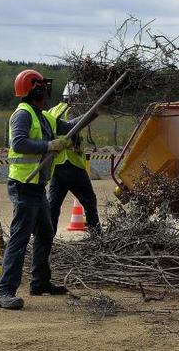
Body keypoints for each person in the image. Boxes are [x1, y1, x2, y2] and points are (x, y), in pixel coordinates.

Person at [0, 70, 77, 310]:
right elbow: (18, 143)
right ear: (35, 91)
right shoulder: (23, 115)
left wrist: (93, 114)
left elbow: (68, 126)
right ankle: (5, 291)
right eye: (42, 89)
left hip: (38, 186)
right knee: (20, 239)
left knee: (45, 232)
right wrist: (48, 145)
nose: (47, 93)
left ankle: (40, 282)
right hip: (23, 185)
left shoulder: (45, 117)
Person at [47, 82, 101, 240]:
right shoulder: (71, 111)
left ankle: (46, 241)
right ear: (75, 96)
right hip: (71, 163)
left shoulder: (52, 110)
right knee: (90, 201)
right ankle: (98, 240)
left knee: (53, 206)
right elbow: (72, 128)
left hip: (57, 164)